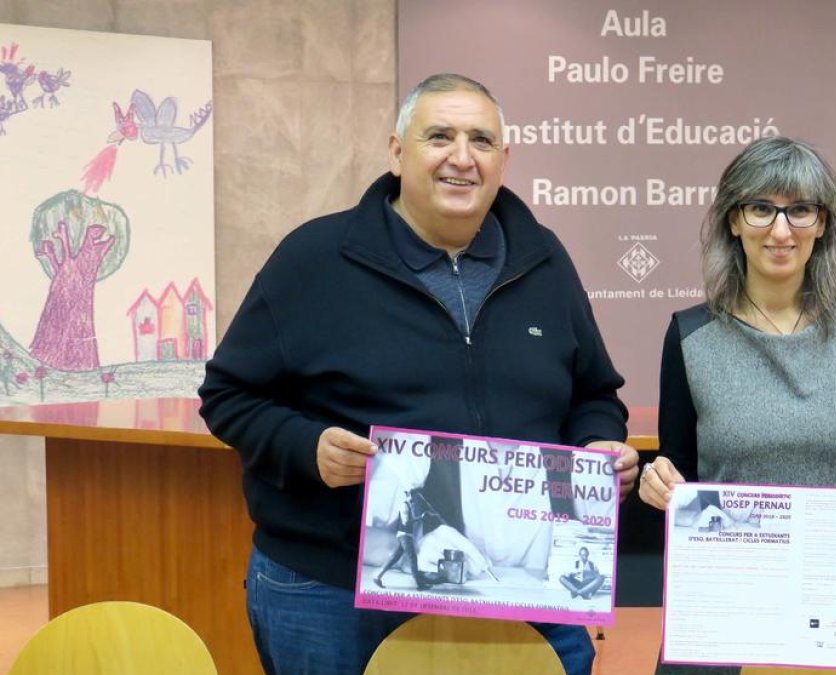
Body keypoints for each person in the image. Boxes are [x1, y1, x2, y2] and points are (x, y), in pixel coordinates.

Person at [198, 72, 639, 675]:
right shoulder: (314, 260)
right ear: (397, 151)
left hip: (520, 586)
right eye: (440, 137)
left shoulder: (545, 261)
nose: (462, 158)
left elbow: (592, 393)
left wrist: (595, 448)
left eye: (481, 141)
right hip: (333, 589)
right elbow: (228, 394)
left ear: (504, 159)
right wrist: (308, 447)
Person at [637, 135, 836, 674]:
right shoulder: (689, 337)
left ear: (824, 223)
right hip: (728, 605)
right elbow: (681, 471)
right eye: (761, 209)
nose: (781, 230)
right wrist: (660, 482)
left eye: (800, 210)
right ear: (733, 221)